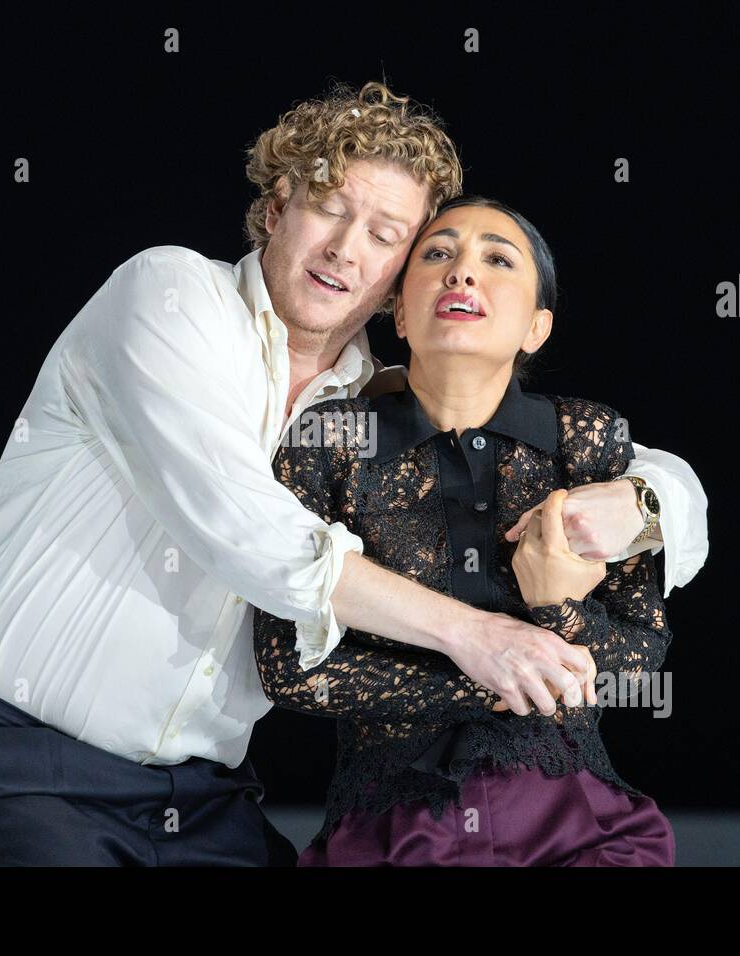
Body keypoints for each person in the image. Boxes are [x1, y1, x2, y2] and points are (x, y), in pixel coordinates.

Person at [0, 80, 707, 866]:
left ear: (397, 280)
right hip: (9, 750)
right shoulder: (170, 295)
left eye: (386, 235)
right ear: (276, 210)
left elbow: (627, 465)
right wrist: (473, 635)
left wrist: (642, 498)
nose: (347, 249)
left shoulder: (368, 407)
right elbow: (244, 524)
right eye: (327, 209)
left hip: (197, 799)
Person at [253, 195, 681, 866]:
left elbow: (643, 652)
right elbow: (290, 667)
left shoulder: (589, 437)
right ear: (398, 309)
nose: (462, 274)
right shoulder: (327, 439)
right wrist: (497, 673)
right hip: (389, 828)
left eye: (496, 259)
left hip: (579, 824)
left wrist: (558, 608)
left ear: (536, 326)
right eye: (437, 254)